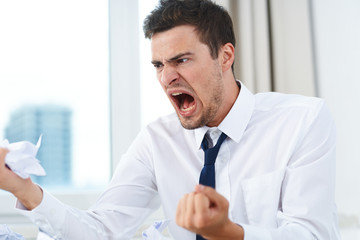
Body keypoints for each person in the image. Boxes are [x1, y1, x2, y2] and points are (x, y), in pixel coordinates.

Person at [0, 0, 340, 239]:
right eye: (159, 65)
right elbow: (101, 231)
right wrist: (24, 190)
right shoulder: (156, 141)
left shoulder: (302, 120)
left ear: (225, 56)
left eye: (181, 60)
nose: (166, 78)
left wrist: (230, 234)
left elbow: (311, 234)